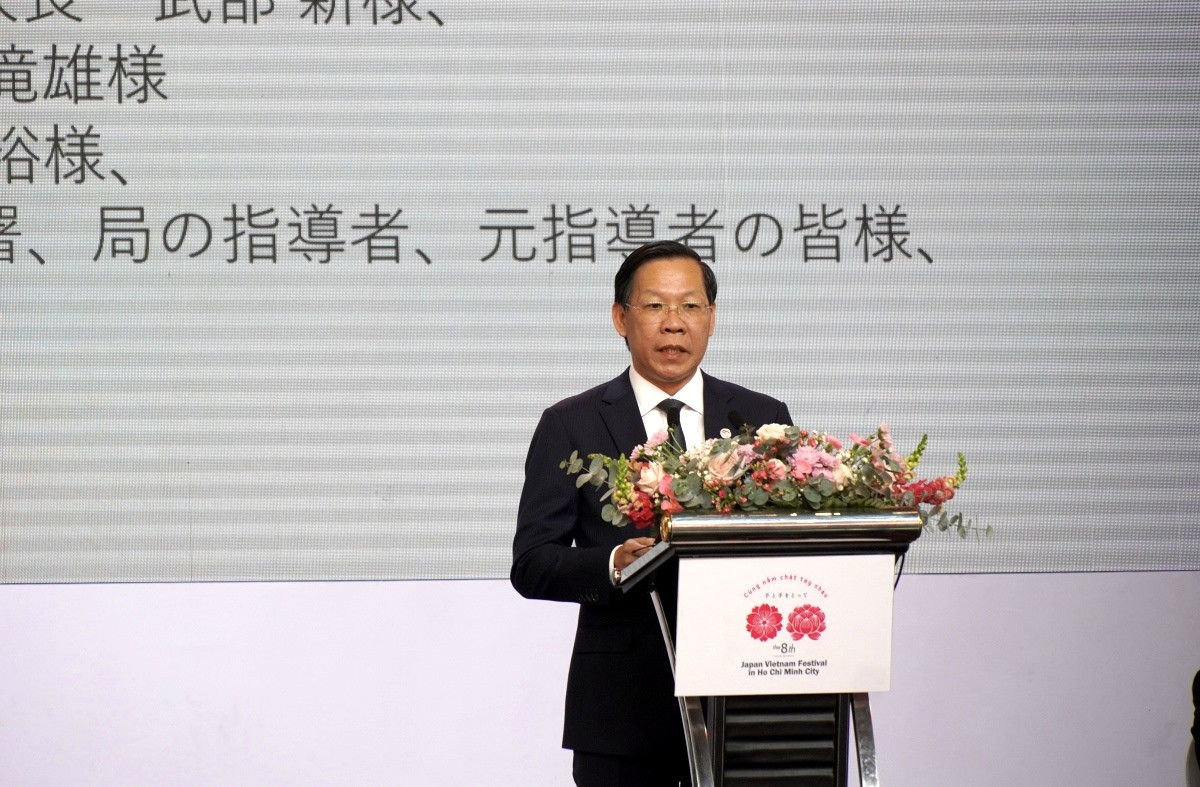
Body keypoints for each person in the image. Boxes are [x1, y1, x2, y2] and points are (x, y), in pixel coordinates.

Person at [511, 240, 792, 787]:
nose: (674, 324)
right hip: (622, 708)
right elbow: (532, 563)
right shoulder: (572, 424)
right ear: (621, 317)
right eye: (656, 306)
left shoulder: (761, 418)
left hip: (749, 695)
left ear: (712, 318)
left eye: (690, 307)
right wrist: (614, 561)